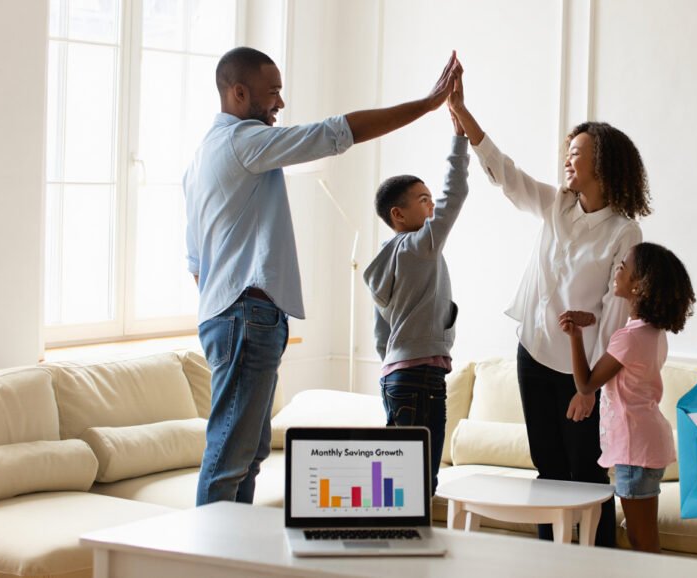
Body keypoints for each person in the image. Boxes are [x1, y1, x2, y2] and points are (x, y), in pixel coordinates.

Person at [184, 46, 461, 506]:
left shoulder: (200, 159)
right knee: (232, 455)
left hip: (228, 315)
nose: (280, 103)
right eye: (272, 92)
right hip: (246, 316)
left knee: (248, 453)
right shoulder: (243, 141)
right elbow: (336, 133)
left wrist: (231, 307)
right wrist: (428, 105)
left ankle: (233, 558)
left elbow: (196, 263)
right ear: (238, 93)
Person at [447, 78, 651, 547]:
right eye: (567, 151)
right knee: (549, 471)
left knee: (586, 476)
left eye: (576, 153)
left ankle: (599, 566)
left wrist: (588, 388)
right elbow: (506, 174)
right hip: (533, 356)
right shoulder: (557, 205)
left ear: (601, 164)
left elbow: (616, 317)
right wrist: (463, 113)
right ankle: (549, 562)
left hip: (582, 370)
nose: (567, 160)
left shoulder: (624, 232)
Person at [363, 86, 470, 495]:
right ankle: (412, 551)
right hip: (421, 376)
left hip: (398, 375)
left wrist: (397, 360)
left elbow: (380, 332)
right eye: (424, 201)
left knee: (402, 479)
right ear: (398, 214)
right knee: (419, 481)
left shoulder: (388, 257)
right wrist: (459, 141)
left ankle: (400, 550)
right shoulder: (418, 245)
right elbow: (455, 195)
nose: (431, 209)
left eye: (430, 201)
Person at [560, 242, 695, 553]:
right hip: (644, 443)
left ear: (640, 284)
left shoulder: (630, 337)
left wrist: (575, 338)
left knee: (642, 541)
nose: (617, 270)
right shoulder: (650, 332)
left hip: (636, 448)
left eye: (624, 266)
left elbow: (585, 384)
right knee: (642, 538)